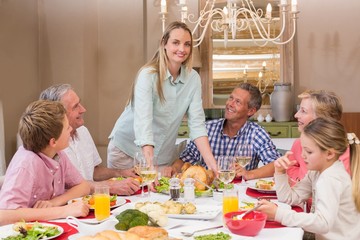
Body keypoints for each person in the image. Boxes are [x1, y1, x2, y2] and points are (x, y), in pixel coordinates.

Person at [107, 21, 217, 174]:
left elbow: (197, 125)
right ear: (164, 43)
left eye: (187, 44)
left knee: (158, 197)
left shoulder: (193, 79)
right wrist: (149, 168)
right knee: (133, 196)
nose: (182, 49)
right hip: (127, 151)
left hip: (161, 155)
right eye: (176, 43)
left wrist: (212, 164)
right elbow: (143, 122)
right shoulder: (148, 75)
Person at [257, 118, 360, 239]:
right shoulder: (316, 172)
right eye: (303, 149)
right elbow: (289, 198)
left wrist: (278, 214)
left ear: (330, 154)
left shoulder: (330, 178)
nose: (302, 155)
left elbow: (323, 223)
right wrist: (280, 172)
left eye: (309, 152)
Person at [39, 84, 140, 196]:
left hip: (91, 202)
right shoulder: (51, 145)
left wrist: (121, 173)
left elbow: (94, 171)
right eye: (75, 106)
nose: (83, 109)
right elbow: (65, 186)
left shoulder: (83, 131)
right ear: (58, 115)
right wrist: (109, 186)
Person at [168, 83, 282, 179]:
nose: (230, 104)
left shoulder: (257, 134)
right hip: (208, 192)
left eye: (238, 102)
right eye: (231, 98)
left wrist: (249, 174)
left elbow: (277, 165)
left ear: (251, 111)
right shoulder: (206, 129)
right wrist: (173, 169)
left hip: (241, 195)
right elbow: (184, 160)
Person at [0, 100, 90, 213]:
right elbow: (4, 215)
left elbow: (83, 186)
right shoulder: (26, 164)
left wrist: (54, 202)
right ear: (53, 142)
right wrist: (62, 211)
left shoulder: (58, 154)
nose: (71, 129)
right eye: (67, 128)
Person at [287, 90, 350, 184]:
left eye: (303, 111)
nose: (296, 115)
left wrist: (298, 185)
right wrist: (299, 179)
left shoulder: (345, 151)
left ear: (322, 119)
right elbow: (290, 168)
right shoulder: (299, 143)